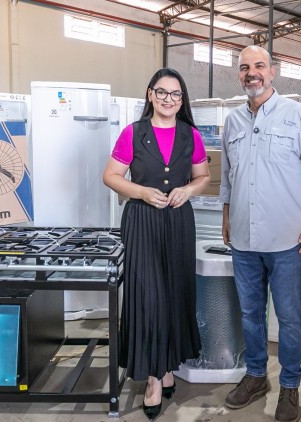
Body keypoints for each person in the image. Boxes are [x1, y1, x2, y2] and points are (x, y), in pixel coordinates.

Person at [219, 46, 301, 422]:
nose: (252, 73)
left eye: (259, 66)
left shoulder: (297, 116)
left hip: (288, 240)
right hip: (244, 239)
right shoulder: (232, 121)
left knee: (288, 317)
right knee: (250, 313)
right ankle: (255, 376)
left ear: (273, 72)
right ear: (239, 74)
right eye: (244, 68)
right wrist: (226, 216)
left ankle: (289, 386)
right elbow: (228, 178)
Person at [103, 68, 210, 420]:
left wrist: (188, 190)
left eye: (176, 94)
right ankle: (153, 377)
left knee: (175, 294)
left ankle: (166, 366)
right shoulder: (133, 133)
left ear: (182, 100)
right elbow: (110, 176)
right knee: (149, 298)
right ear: (150, 94)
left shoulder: (191, 135)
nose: (168, 99)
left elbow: (203, 177)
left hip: (178, 222)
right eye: (162, 92)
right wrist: (141, 192)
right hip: (142, 222)